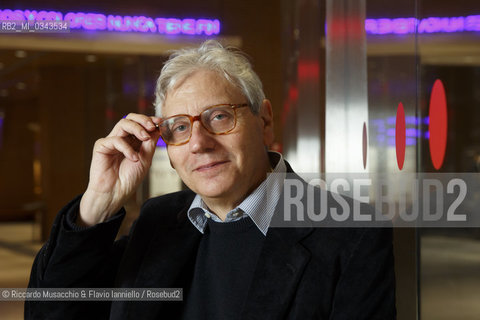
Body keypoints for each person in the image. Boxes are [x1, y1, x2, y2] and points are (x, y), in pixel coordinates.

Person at [26, 40, 396, 319]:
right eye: (179, 127)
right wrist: (98, 203)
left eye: (219, 117)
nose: (199, 144)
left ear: (264, 121)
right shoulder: (158, 221)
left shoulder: (351, 233)